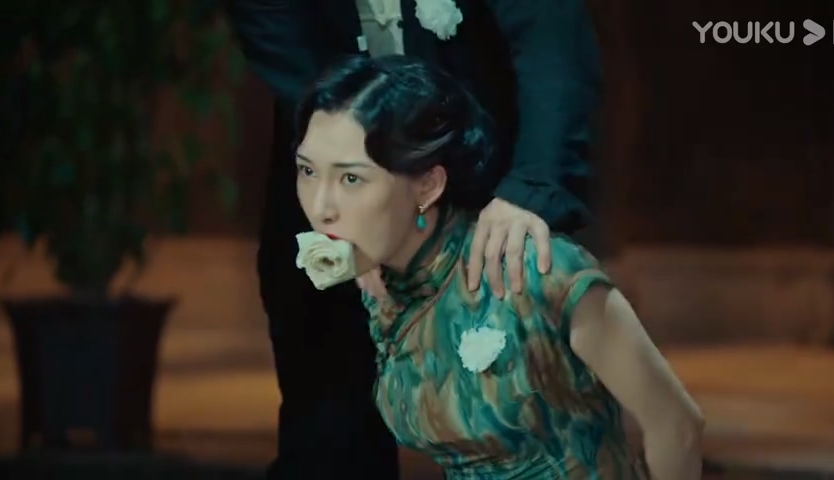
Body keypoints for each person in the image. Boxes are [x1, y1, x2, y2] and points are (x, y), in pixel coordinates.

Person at [227, 0, 603, 477]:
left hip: (489, 200)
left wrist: (531, 190)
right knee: (330, 441)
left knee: (517, 437)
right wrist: (357, 217)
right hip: (335, 212)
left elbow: (551, 41)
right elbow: (295, 61)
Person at [294, 54, 704, 479]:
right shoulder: (383, 287)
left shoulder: (534, 269)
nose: (321, 208)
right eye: (307, 171)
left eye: (351, 179)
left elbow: (677, 426)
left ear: (428, 185)